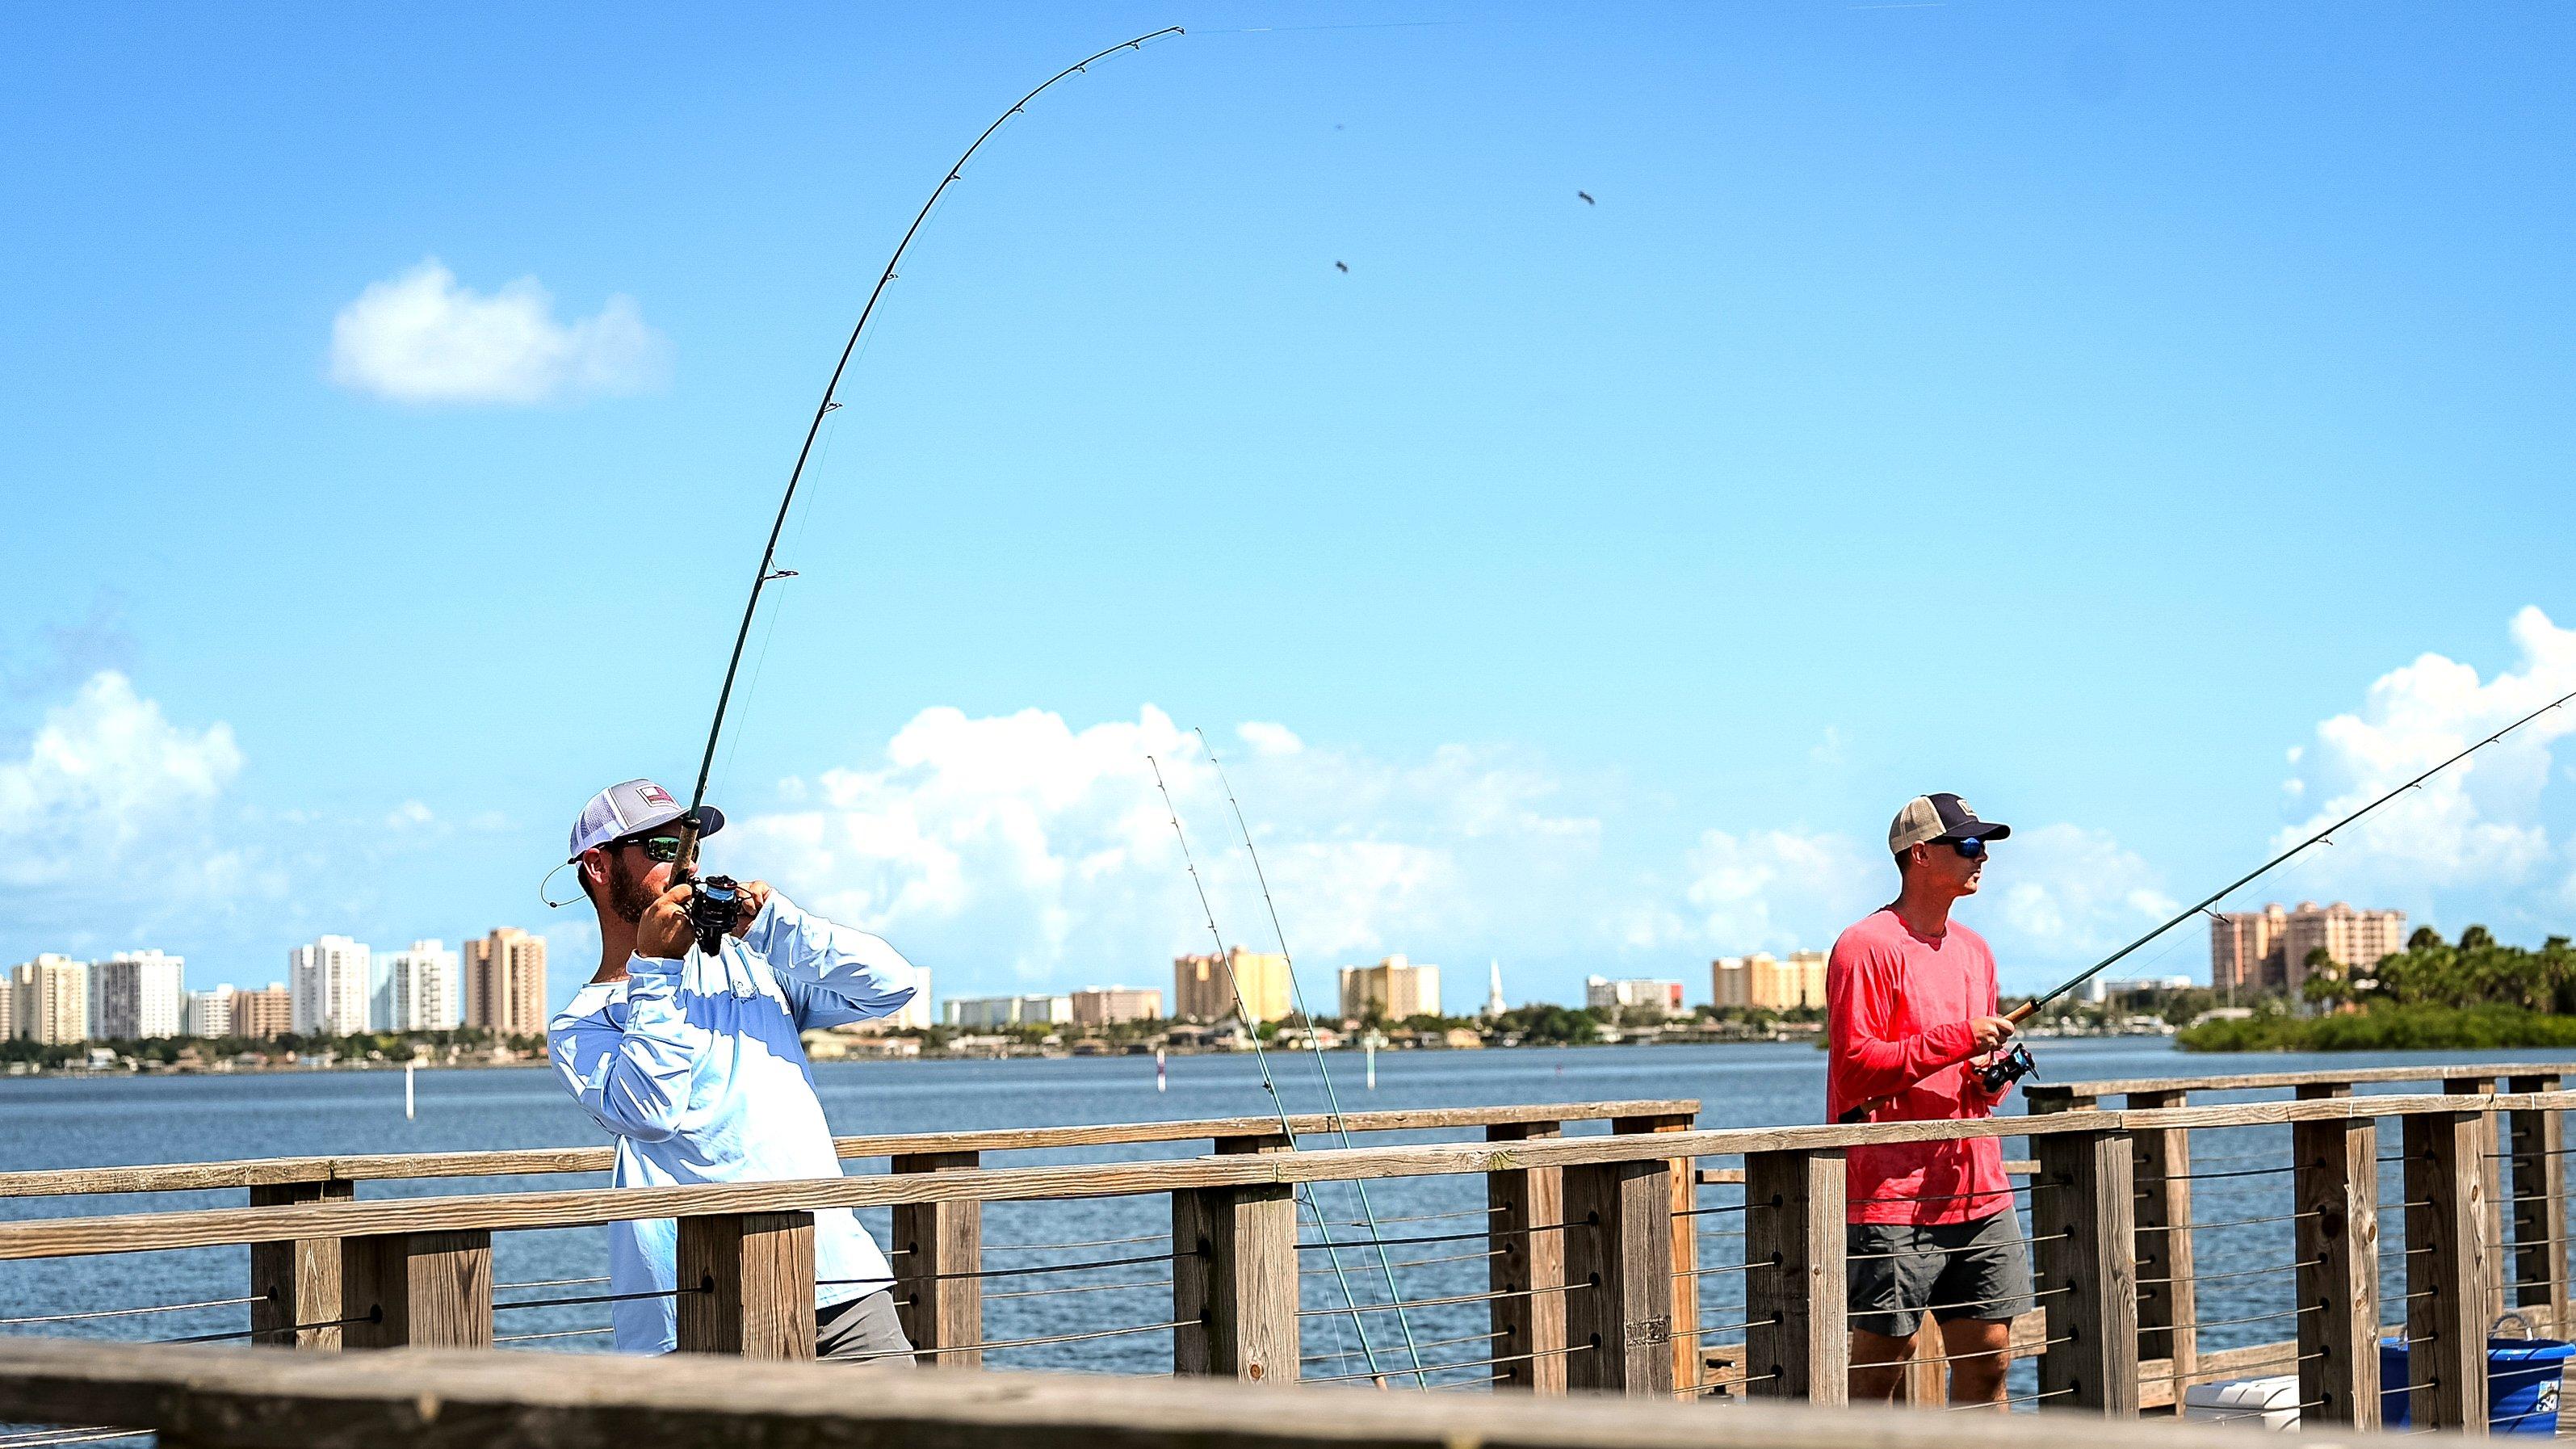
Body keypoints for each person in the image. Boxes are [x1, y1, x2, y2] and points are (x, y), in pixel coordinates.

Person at [547, 778, 923, 1362]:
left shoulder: (752, 963)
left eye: (691, 851)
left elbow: (891, 985)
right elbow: (652, 1112)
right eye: (663, 850)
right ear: (599, 865)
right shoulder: (580, 1025)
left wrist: (774, 926)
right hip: (696, 1305)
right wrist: (655, 971)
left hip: (839, 1278)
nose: (687, 869)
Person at [1825, 792, 2033, 1407]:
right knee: (1883, 1363)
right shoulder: (1866, 945)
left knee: (1991, 1356)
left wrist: (1990, 1071)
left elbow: (1967, 1069)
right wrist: (1957, 1039)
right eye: (1969, 845)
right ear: (1919, 854)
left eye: (1986, 845)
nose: (1984, 857)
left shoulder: (1976, 950)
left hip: (1980, 1189)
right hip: (1892, 1195)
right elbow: (1857, 1068)